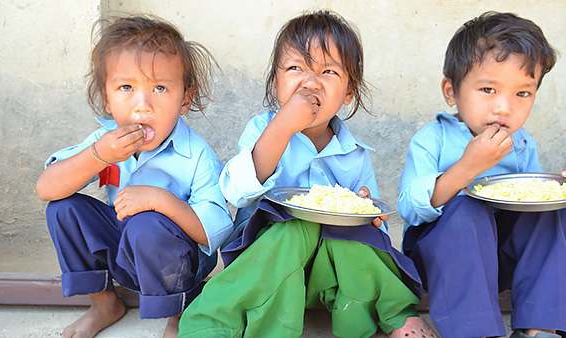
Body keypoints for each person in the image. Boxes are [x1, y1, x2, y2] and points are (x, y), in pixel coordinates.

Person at [179, 10, 435, 338]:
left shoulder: (355, 155)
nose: (310, 82)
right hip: (269, 264)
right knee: (289, 231)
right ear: (275, 84)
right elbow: (236, 192)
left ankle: (395, 312)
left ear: (348, 92)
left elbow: (376, 221)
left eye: (328, 71)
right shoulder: (263, 130)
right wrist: (283, 126)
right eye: (295, 68)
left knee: (362, 241)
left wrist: (364, 210)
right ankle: (218, 321)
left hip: (329, 273)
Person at [35, 15, 233, 338]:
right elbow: (46, 188)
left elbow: (213, 233)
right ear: (106, 97)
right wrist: (98, 155)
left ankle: (178, 316)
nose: (143, 106)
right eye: (126, 87)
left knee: (146, 225)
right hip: (124, 249)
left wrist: (159, 200)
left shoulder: (197, 155)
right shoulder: (104, 140)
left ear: (185, 99)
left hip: (176, 262)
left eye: (159, 87)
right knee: (62, 208)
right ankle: (104, 304)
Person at [397, 11, 562, 338]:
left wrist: (553, 189)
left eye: (522, 93)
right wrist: (466, 168)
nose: (504, 107)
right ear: (451, 92)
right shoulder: (434, 138)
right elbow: (410, 208)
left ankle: (539, 328)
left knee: (551, 211)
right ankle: (477, 332)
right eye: (488, 89)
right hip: (441, 260)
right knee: (467, 209)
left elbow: (531, 215)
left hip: (500, 262)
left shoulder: (523, 144)